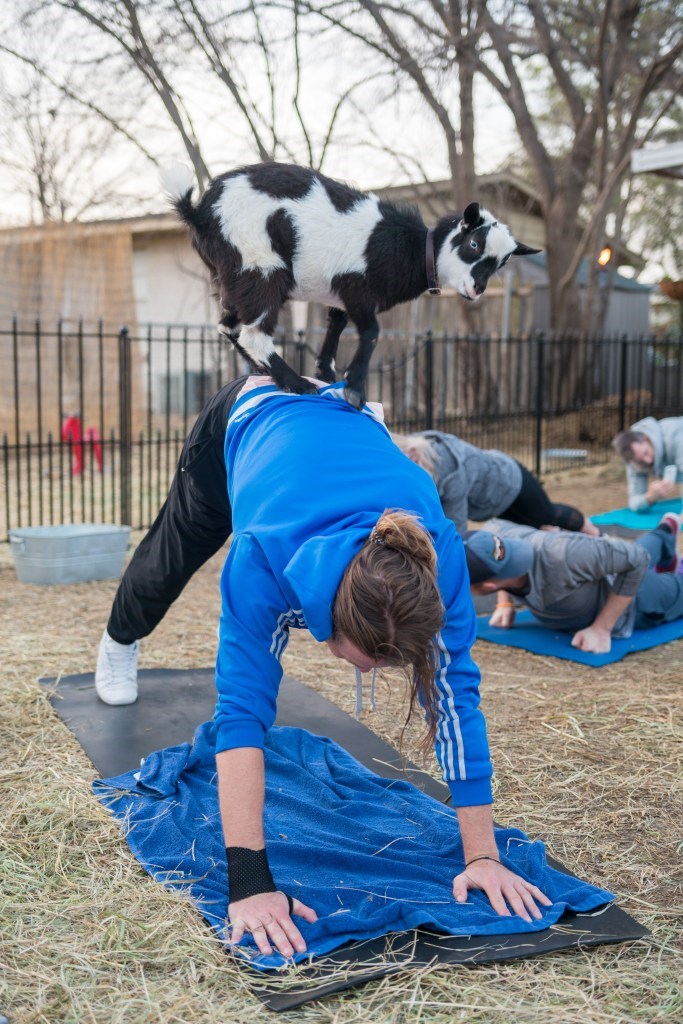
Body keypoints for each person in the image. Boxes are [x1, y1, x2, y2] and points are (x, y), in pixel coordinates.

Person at [96, 374, 550, 959]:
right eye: (371, 661)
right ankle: (118, 639)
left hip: (337, 425)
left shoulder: (438, 554)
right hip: (248, 418)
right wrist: (251, 883)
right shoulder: (261, 558)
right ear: (324, 622)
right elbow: (239, 716)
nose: (376, 673)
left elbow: (458, 697)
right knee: (171, 557)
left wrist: (483, 855)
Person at [464, 513, 682, 654]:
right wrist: (505, 603)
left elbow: (637, 559)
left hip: (634, 598)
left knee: (634, 556)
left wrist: (601, 628)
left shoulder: (563, 553)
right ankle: (664, 533)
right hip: (594, 567)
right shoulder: (489, 535)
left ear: (486, 587)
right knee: (623, 553)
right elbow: (498, 563)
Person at [392, 430, 600, 537]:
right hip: (490, 500)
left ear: (412, 455)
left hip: (511, 482)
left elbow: (457, 529)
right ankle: (557, 542)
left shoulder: (450, 473)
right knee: (530, 529)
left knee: (548, 515)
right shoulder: (417, 453)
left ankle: (595, 534)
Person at [612, 416, 683, 512]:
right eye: (640, 460)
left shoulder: (676, 437)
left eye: (646, 453)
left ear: (647, 438)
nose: (648, 461)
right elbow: (634, 501)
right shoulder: (634, 460)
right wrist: (649, 497)